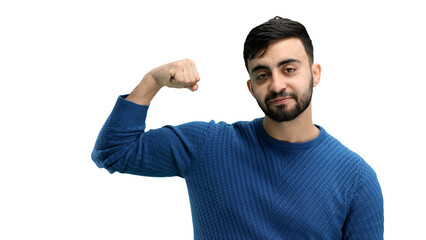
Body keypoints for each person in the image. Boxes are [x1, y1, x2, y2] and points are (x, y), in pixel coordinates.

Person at [92, 16, 384, 239]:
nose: (277, 84)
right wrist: (152, 81)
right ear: (251, 87)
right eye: (262, 74)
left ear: (315, 74)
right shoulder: (209, 146)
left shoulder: (356, 178)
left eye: (289, 69)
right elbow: (113, 152)